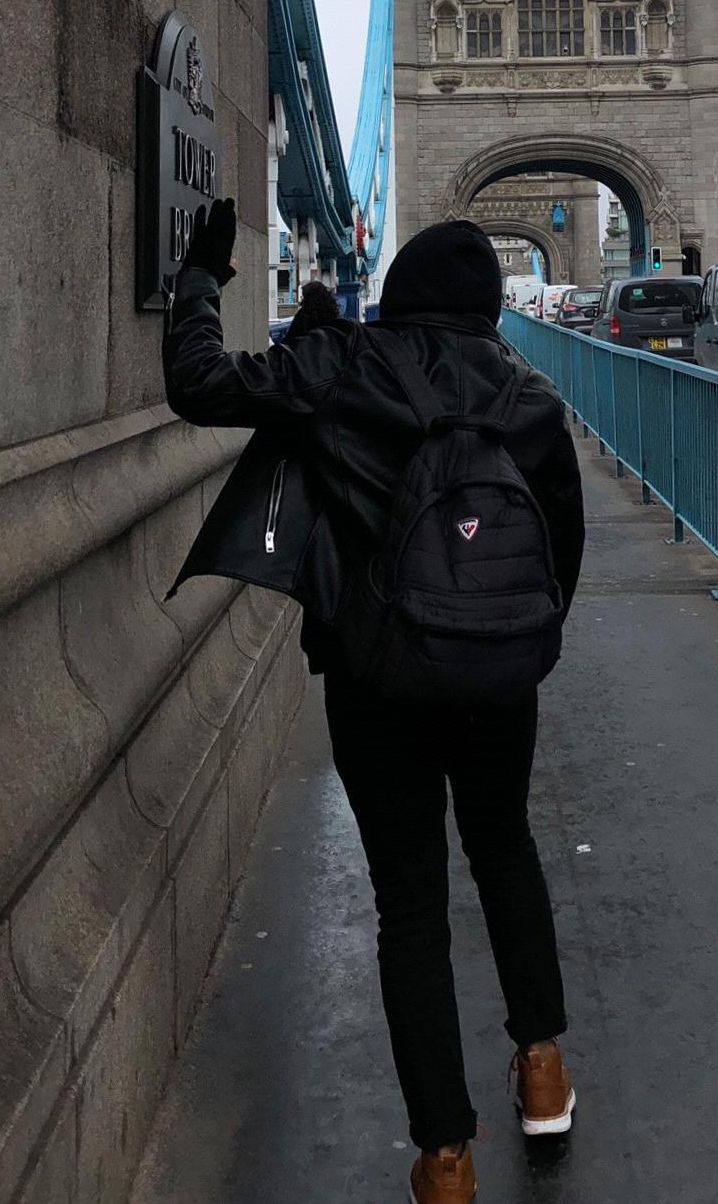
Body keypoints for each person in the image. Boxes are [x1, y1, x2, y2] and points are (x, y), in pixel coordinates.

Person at [163, 203, 586, 1203]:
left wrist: (198, 279)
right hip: (496, 679)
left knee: (410, 901)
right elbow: (559, 552)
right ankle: (541, 1071)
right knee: (506, 850)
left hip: (376, 676)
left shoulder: (342, 367)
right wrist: (514, 647)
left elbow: (199, 385)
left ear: (397, 291)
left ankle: (444, 1158)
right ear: (488, 305)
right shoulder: (528, 394)